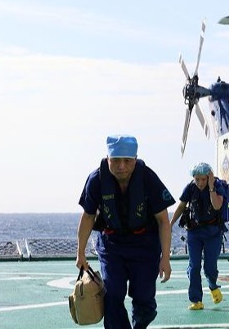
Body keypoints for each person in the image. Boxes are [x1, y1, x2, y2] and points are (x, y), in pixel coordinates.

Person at [76, 135, 174, 329]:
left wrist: (165, 258)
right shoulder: (96, 180)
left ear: (135, 160)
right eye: (116, 160)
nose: (121, 166)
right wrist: (80, 253)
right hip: (112, 245)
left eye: (127, 161)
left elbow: (163, 221)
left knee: (144, 298)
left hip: (145, 245)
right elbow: (88, 217)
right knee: (112, 294)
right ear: (107, 158)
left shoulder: (148, 178)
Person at [170, 162, 225, 310]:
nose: (200, 183)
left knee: (210, 267)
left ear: (209, 177)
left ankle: (213, 285)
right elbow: (181, 206)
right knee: (194, 266)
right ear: (193, 178)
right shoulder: (190, 188)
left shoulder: (217, 186)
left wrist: (212, 186)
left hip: (213, 233)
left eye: (203, 179)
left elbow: (217, 206)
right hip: (194, 232)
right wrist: (170, 224)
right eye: (197, 179)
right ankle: (196, 300)